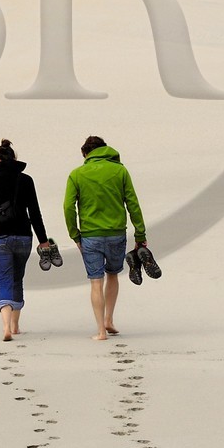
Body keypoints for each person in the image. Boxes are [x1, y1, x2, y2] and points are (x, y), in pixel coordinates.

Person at [64, 136, 147, 341]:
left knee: (95, 281)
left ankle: (101, 330)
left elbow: (68, 207)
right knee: (112, 275)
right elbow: (133, 204)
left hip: (90, 236)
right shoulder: (120, 171)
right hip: (116, 233)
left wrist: (75, 235)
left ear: (86, 153)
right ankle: (109, 319)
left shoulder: (77, 174)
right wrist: (140, 235)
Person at [0, 138, 53, 341]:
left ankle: (6, 326)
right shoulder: (26, 180)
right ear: (14, 159)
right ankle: (15, 326)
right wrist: (43, 240)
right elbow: (35, 212)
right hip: (24, 236)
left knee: (4, 279)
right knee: (18, 278)